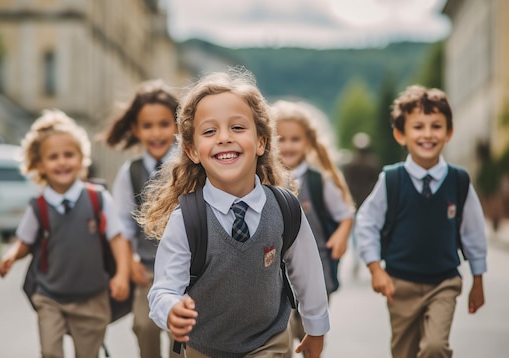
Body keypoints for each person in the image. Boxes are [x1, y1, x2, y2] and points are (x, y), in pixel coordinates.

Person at [139, 69, 330, 358]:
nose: (224, 138)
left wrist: (315, 328)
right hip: (202, 347)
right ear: (192, 150)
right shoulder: (188, 220)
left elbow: (308, 275)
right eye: (209, 131)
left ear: (262, 142)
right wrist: (171, 311)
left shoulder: (285, 209)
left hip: (269, 341)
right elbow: (163, 289)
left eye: (238, 128)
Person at [355, 85, 487, 358]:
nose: (427, 134)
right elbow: (367, 222)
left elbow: (473, 231)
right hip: (400, 283)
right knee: (404, 352)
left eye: (436, 126)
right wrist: (375, 269)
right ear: (401, 134)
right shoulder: (391, 179)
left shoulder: (459, 181)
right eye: (418, 127)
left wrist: (478, 279)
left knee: (434, 347)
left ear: (449, 133)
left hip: (444, 282)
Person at [0, 110, 131, 358]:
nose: (62, 162)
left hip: (92, 296)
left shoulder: (97, 198)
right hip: (50, 296)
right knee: (50, 351)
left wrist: (122, 275)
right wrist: (11, 255)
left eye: (69, 155)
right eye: (53, 157)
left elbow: (117, 238)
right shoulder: (38, 207)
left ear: (82, 159)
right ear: (39, 164)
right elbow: (24, 242)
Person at [103, 79, 180, 358]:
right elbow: (121, 223)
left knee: (181, 333)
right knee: (143, 325)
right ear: (136, 129)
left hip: (185, 269)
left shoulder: (189, 166)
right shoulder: (130, 172)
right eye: (147, 126)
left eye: (164, 124)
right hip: (146, 269)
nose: (156, 133)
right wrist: (130, 260)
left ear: (178, 125)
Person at [272, 99, 355, 353]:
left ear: (308, 142)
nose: (287, 145)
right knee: (280, 338)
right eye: (280, 138)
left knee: (311, 337)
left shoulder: (320, 182)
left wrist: (341, 235)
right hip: (276, 274)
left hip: (317, 270)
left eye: (295, 139)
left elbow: (346, 213)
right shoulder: (264, 179)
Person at [341, 132, 380, 277]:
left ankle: (356, 260)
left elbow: (347, 184)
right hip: (368, 202)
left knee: (355, 234)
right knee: (369, 231)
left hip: (354, 202)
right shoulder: (372, 162)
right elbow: (375, 184)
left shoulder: (351, 163)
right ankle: (369, 259)